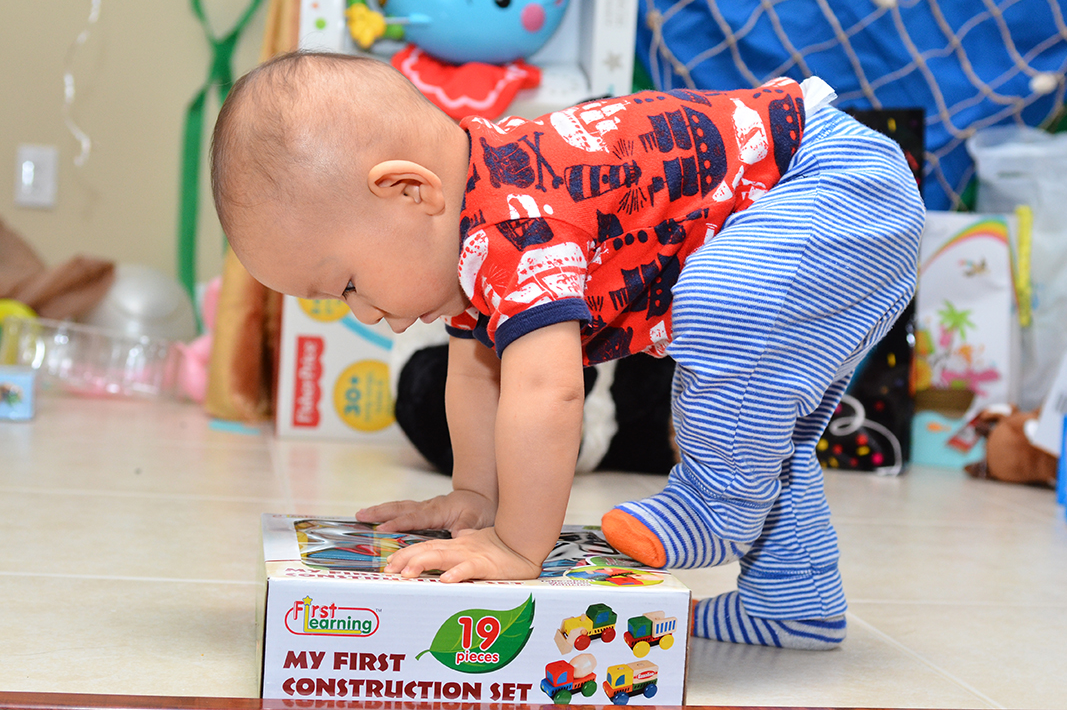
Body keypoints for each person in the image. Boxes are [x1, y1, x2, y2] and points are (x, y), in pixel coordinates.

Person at [211, 51, 924, 650]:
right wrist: (476, 498)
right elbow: (476, 372)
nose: (370, 315)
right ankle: (792, 596)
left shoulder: (516, 219)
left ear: (408, 190)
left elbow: (547, 391)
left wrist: (517, 544)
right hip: (832, 196)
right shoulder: (473, 230)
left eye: (348, 284)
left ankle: (716, 504)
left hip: (836, 181)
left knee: (720, 313)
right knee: (769, 426)